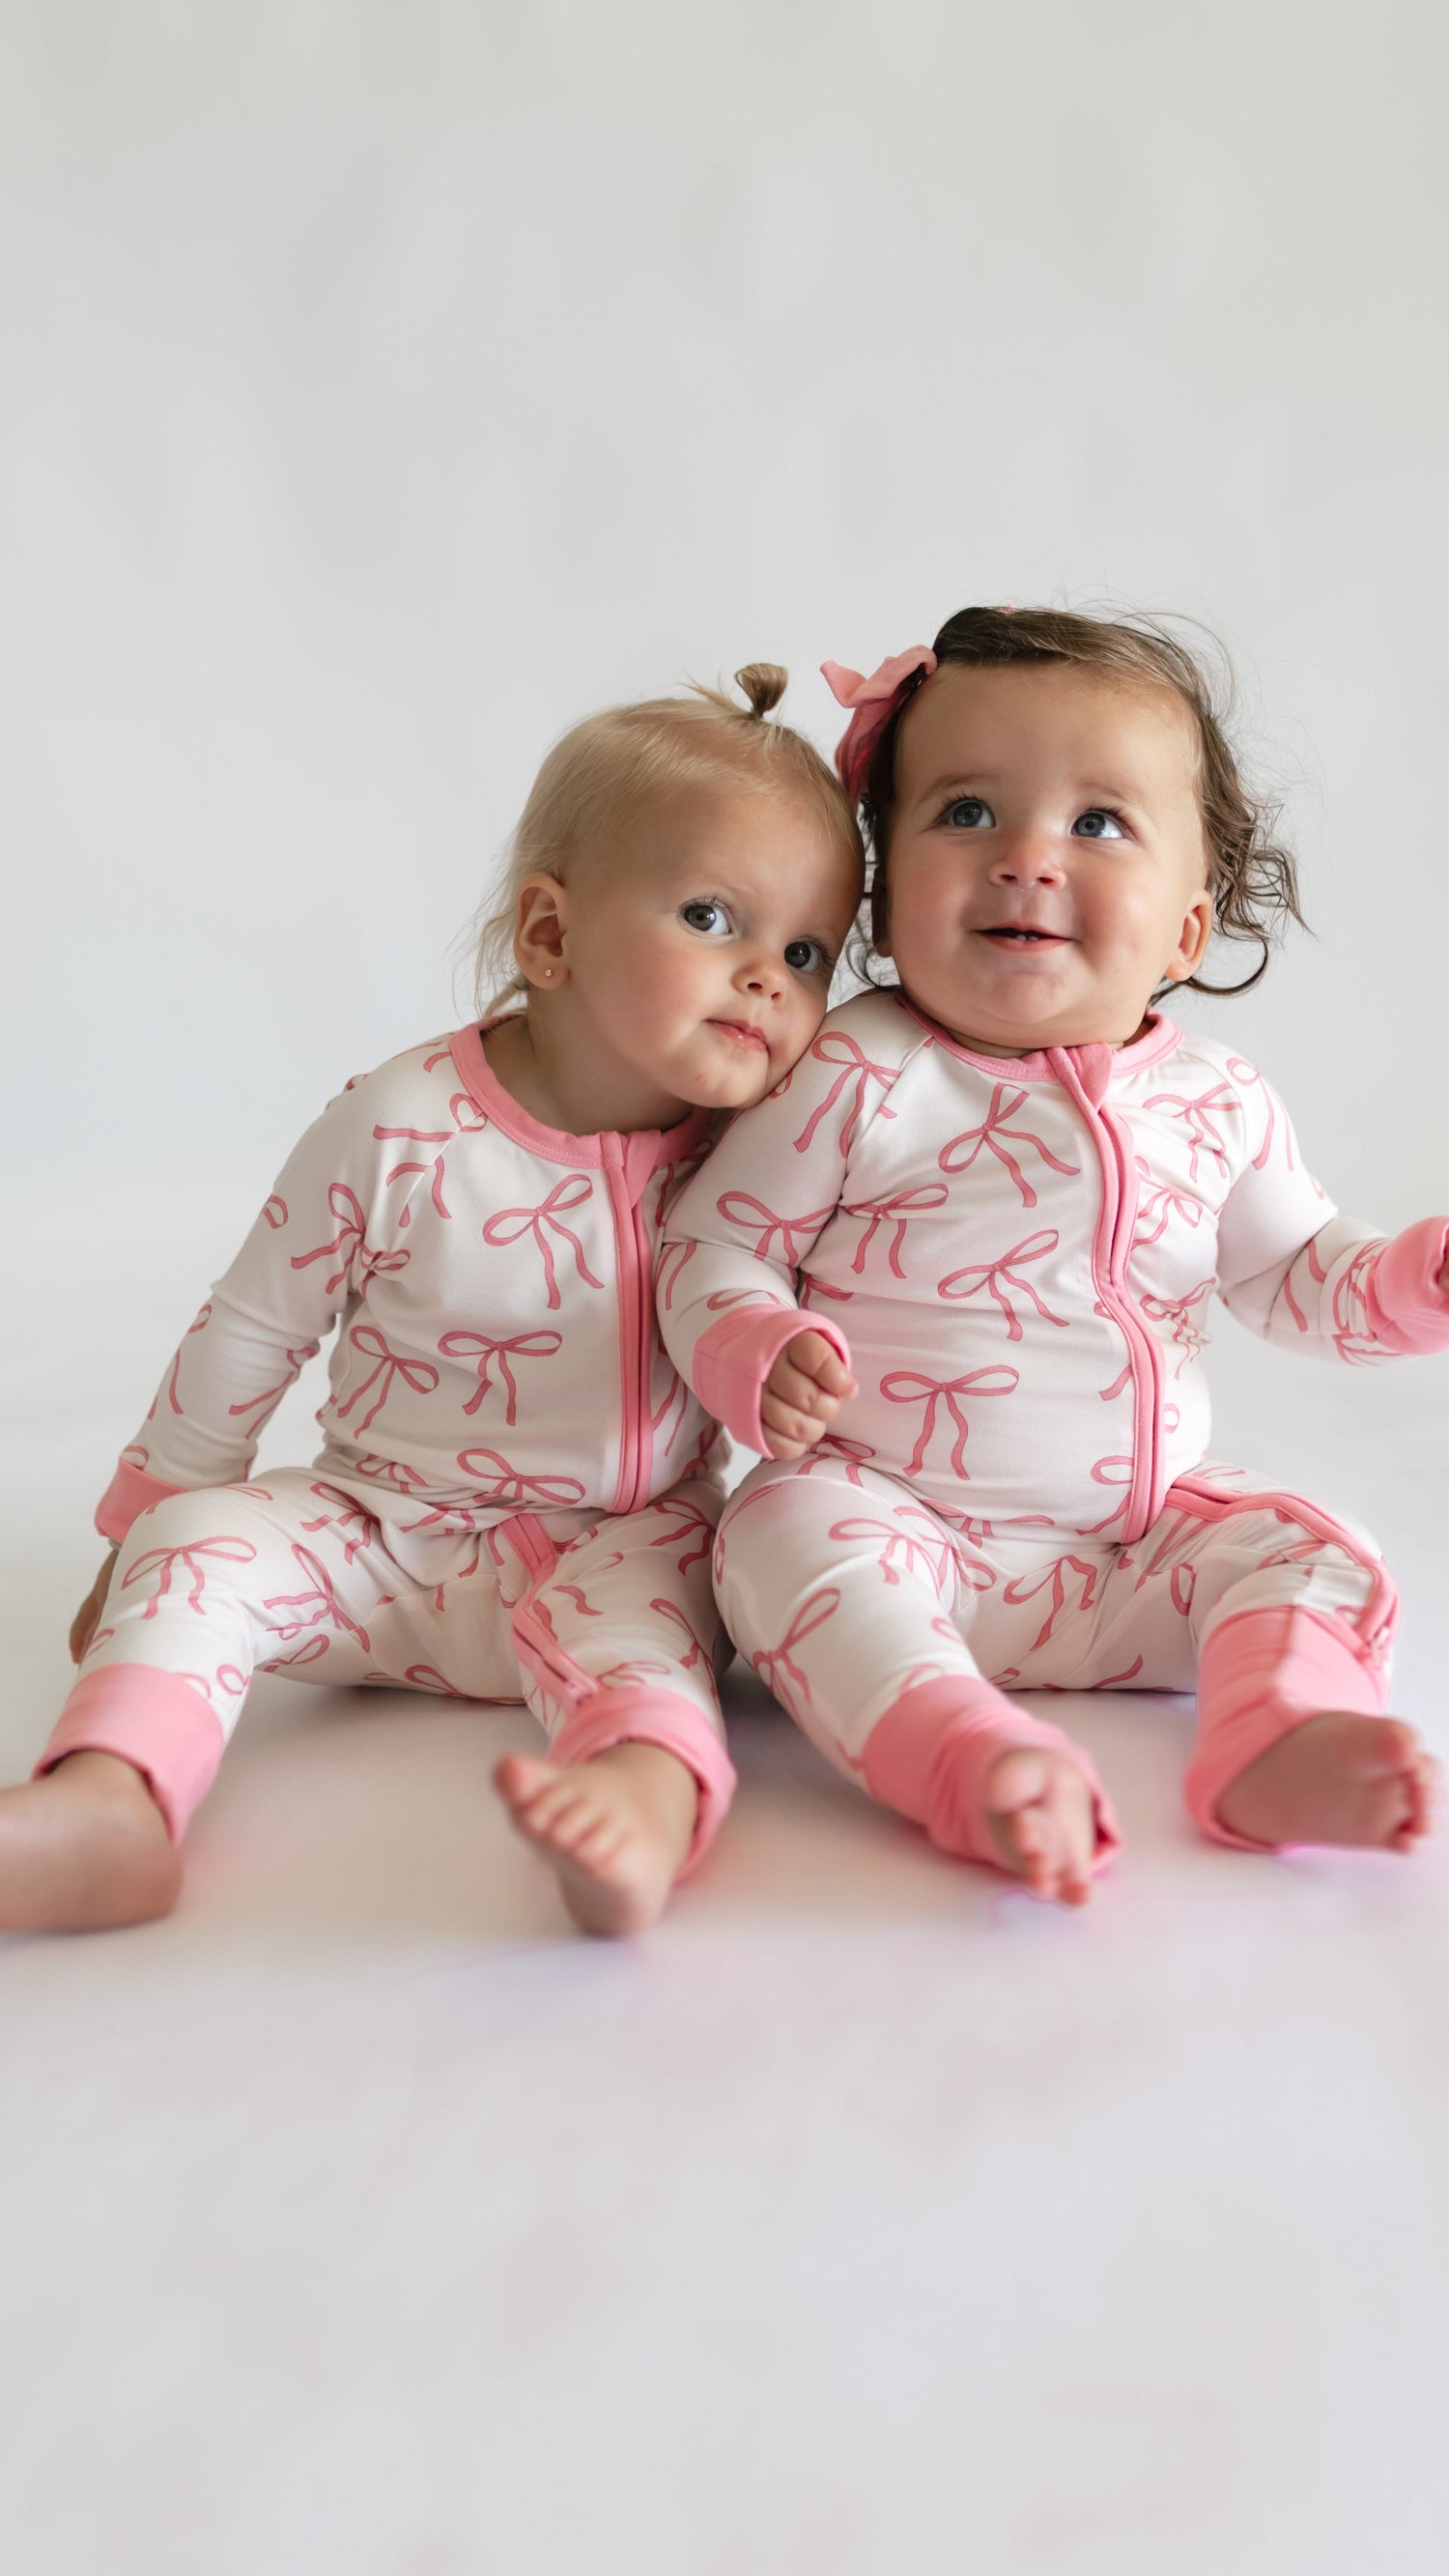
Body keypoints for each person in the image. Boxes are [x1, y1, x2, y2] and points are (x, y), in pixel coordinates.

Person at [9, 666, 863, 1938]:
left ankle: (636, 1814)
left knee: (665, 1645)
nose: (767, 978)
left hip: (625, 1543)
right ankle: (111, 1802)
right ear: (550, 934)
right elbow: (253, 1329)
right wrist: (137, 1528)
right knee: (197, 1547)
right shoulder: (400, 1126)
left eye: (805, 951)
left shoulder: (762, 1153)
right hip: (380, 1532)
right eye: (711, 917)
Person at [659, 608, 1444, 1905]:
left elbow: (1296, 1271)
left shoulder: (1218, 1100)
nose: (1027, 857)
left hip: (1131, 1548)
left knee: (1319, 1549)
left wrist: (1417, 1279)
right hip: (893, 1515)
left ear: (1185, 931)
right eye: (966, 812)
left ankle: (1279, 1731)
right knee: (778, 1540)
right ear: (882, 900)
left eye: (1099, 823)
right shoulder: (858, 1068)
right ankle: (962, 1751)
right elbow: (714, 1242)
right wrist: (753, 1341)